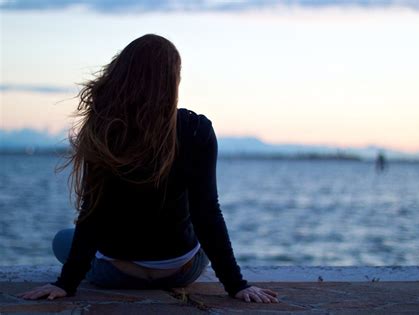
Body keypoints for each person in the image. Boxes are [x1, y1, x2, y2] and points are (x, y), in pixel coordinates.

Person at [18, 34, 278, 304]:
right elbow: (207, 214)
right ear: (172, 80)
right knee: (196, 233)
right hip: (182, 271)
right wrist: (236, 285)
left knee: (62, 239)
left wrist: (66, 283)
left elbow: (92, 213)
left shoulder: (105, 129)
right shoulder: (196, 128)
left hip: (116, 273)